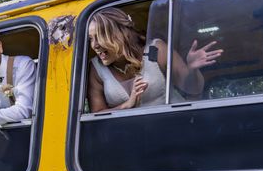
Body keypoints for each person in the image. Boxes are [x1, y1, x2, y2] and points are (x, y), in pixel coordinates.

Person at [87, 7, 223, 112]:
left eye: (100, 37)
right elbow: (97, 113)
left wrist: (192, 69)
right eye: (91, 39)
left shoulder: (156, 49)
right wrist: (127, 105)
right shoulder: (96, 68)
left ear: (119, 34)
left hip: (175, 125)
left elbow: (193, 89)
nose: (94, 45)